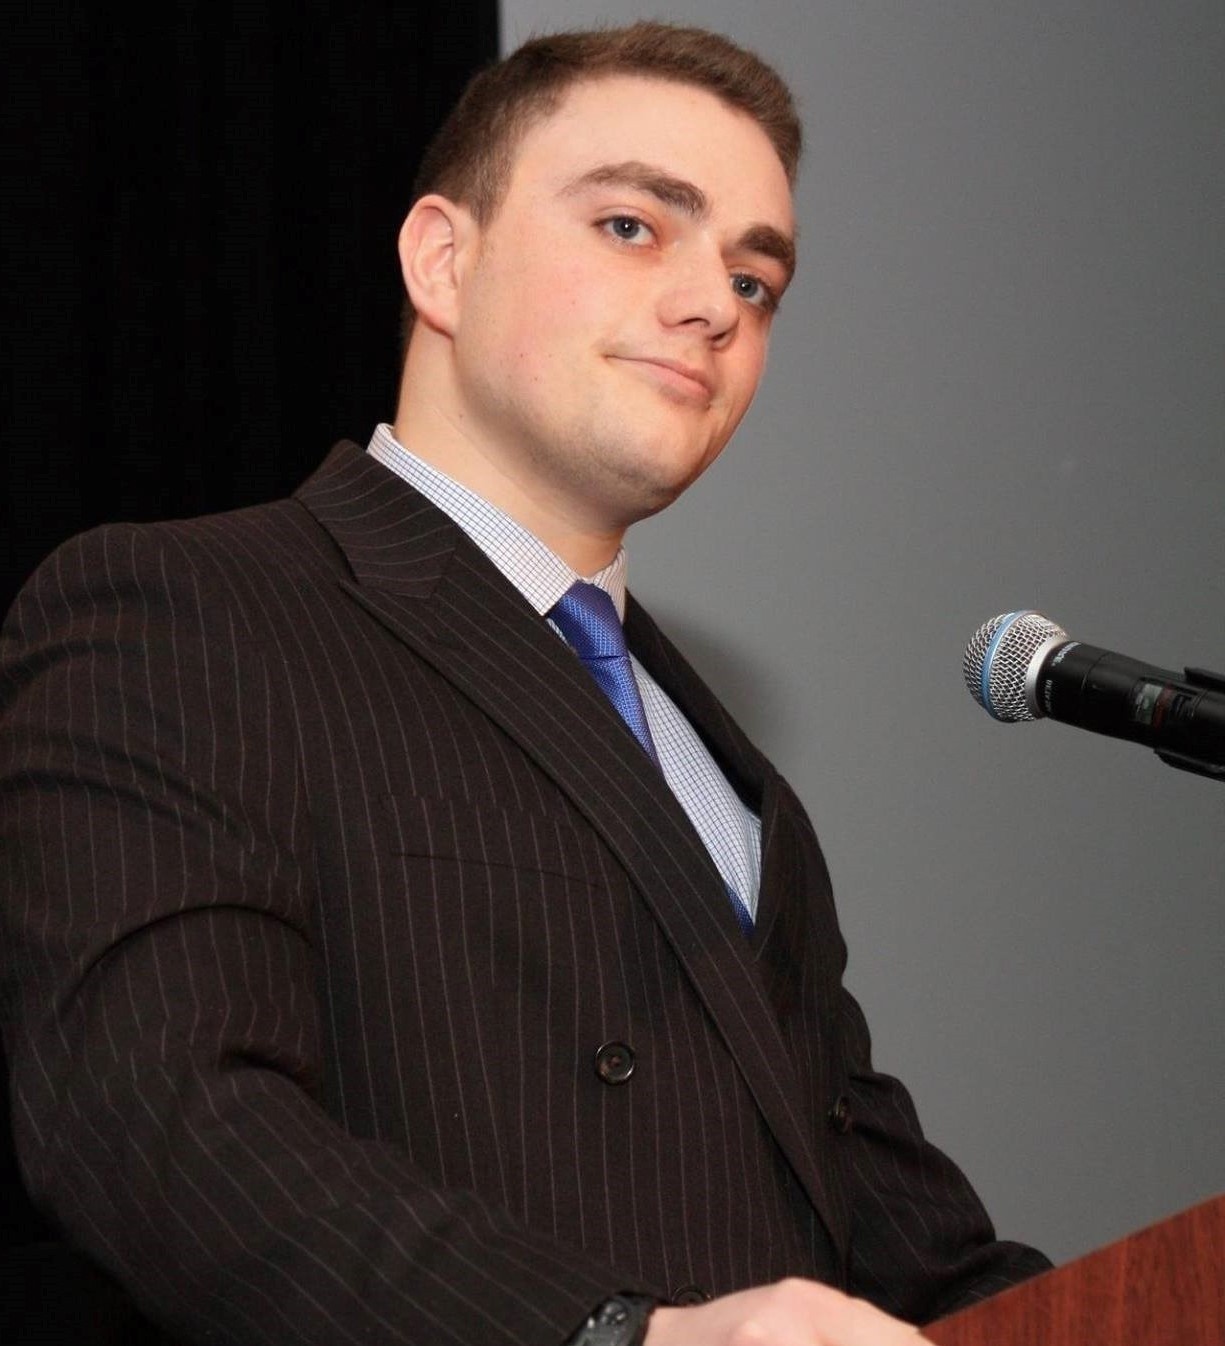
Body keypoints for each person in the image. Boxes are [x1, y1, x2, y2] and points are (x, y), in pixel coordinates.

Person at [0, 22, 1050, 1346]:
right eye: (632, 226)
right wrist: (616, 1335)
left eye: (755, 278)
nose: (714, 304)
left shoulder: (734, 781)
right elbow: (160, 1122)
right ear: (443, 259)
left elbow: (912, 1245)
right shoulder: (189, 611)